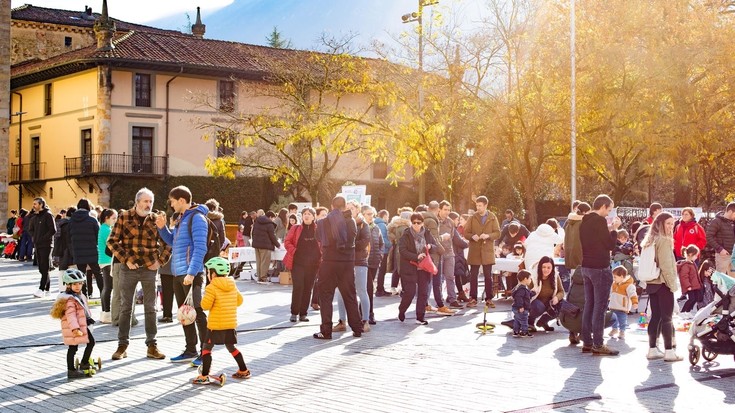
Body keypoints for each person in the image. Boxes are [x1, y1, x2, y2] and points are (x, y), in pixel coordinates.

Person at [107, 188, 171, 361]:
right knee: (126, 307)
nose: (148, 205)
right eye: (145, 201)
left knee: (151, 308)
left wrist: (160, 261)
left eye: (150, 201)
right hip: (129, 268)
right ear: (137, 202)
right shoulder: (124, 216)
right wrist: (126, 259)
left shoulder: (156, 219)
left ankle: (152, 345)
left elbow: (168, 243)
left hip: (150, 268)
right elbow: (111, 241)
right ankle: (122, 346)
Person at [156, 185, 210, 366]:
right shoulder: (182, 219)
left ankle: (205, 352)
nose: (170, 205)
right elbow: (173, 242)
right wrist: (163, 229)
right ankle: (190, 349)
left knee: (198, 314)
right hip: (178, 273)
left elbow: (200, 247)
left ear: (181, 200)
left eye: (172, 201)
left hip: (189, 274)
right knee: (184, 314)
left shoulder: (197, 218)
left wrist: (192, 272)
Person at [192, 257, 250, 385]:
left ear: (212, 274)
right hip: (230, 325)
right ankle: (243, 370)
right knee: (231, 347)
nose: (207, 275)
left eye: (208, 272)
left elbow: (205, 305)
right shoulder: (232, 284)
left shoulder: (211, 287)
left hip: (215, 325)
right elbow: (239, 301)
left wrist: (204, 297)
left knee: (206, 349)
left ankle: (204, 375)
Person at [313, 195, 363, 339]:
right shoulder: (351, 221)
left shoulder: (324, 222)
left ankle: (326, 331)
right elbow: (353, 238)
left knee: (326, 297)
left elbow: (318, 237)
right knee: (350, 296)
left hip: (328, 262)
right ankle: (357, 329)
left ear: (331, 206)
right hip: (346, 263)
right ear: (345, 206)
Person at [579, 194, 621, 356]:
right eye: (608, 210)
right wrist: (615, 230)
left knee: (589, 304)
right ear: (602, 206)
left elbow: (598, 239)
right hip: (600, 268)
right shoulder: (600, 221)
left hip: (586, 266)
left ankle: (587, 342)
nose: (609, 214)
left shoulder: (585, 221)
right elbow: (609, 244)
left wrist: (609, 229)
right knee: (600, 306)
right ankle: (598, 343)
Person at [641, 212, 682, 361]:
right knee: (667, 318)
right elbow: (666, 265)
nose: (671, 226)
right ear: (660, 224)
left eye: (672, 223)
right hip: (663, 283)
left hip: (652, 283)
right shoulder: (663, 240)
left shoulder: (650, 240)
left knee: (655, 317)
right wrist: (673, 285)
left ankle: (652, 349)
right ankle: (669, 351)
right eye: (668, 223)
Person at [50, 269, 96, 379]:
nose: (78, 286)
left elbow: (84, 310)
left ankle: (84, 363)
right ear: (68, 284)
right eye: (74, 284)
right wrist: (75, 329)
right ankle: (71, 370)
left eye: (80, 283)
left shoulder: (79, 296)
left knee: (91, 342)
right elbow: (71, 316)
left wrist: (88, 319)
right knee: (73, 348)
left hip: (82, 326)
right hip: (74, 328)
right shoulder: (70, 300)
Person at [335, 200, 372, 332]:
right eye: (347, 208)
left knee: (361, 290)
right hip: (344, 262)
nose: (349, 210)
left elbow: (364, 241)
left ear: (357, 210)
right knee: (340, 291)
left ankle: (365, 320)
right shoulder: (342, 223)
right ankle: (342, 321)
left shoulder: (363, 225)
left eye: (352, 208)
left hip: (359, 261)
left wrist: (349, 246)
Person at [397, 213, 439, 325]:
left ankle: (420, 317)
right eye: (414, 222)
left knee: (423, 293)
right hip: (410, 267)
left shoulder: (427, 233)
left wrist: (430, 247)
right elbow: (402, 250)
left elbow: (436, 247)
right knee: (410, 292)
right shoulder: (406, 235)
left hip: (424, 268)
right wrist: (416, 256)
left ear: (422, 223)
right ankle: (402, 309)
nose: (416, 225)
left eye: (418, 223)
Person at [284, 207, 321, 323]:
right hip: (298, 263)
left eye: (309, 214)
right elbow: (287, 242)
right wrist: (294, 250)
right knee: (298, 287)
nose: (307, 215)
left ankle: (303, 313)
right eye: (305, 213)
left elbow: (324, 243)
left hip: (313, 264)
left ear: (314, 216)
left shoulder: (318, 229)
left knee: (308, 288)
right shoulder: (296, 228)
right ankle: (294, 312)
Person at [463, 196, 501, 308]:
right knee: (473, 275)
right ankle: (473, 298)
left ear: (485, 206)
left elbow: (498, 233)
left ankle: (489, 298)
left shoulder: (493, 217)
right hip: (474, 250)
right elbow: (466, 233)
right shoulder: (472, 217)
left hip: (487, 251)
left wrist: (488, 236)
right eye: (477, 205)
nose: (478, 207)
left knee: (488, 276)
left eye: (480, 205)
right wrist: (471, 236)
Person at [69, 199, 102, 298]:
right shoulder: (92, 220)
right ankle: (103, 293)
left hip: (78, 251)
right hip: (92, 251)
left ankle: (83, 295)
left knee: (81, 274)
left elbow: (69, 236)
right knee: (98, 273)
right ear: (88, 207)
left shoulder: (71, 221)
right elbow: (98, 237)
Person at [528, 256, 565, 332]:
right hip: (535, 303)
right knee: (538, 306)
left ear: (552, 268)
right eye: (543, 267)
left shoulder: (555, 276)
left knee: (563, 306)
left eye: (549, 267)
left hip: (549, 304)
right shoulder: (533, 276)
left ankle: (543, 321)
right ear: (539, 267)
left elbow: (561, 291)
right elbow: (526, 292)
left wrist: (557, 298)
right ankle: (530, 322)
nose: (546, 270)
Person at [30, 197, 56, 298]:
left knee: (44, 266)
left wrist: (43, 238)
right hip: (38, 244)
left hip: (47, 245)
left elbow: (53, 230)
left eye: (35, 204)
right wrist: (35, 237)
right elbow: (30, 229)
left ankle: (41, 288)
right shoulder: (35, 217)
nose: (33, 206)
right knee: (42, 268)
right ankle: (48, 289)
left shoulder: (48, 215)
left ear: (41, 205)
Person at [437, 201, 461, 310]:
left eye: (448, 210)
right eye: (445, 209)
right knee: (439, 278)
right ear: (439, 209)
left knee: (450, 276)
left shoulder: (450, 222)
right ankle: (439, 299)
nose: (447, 212)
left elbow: (452, 236)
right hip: (438, 252)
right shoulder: (435, 221)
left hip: (449, 252)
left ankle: (452, 298)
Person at [363, 206, 384, 325]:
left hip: (374, 262)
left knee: (368, 289)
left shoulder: (376, 228)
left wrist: (380, 255)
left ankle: (364, 311)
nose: (371, 216)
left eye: (372, 214)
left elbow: (381, 243)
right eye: (368, 214)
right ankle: (369, 314)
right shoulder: (360, 227)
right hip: (363, 262)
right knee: (368, 289)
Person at [158, 212, 179, 324]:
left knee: (167, 293)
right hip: (178, 268)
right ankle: (183, 313)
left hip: (166, 267)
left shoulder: (166, 232)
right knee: (180, 293)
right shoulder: (181, 232)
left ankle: (167, 315)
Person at [97, 209, 117, 323]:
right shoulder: (106, 229)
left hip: (105, 260)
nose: (115, 221)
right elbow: (112, 244)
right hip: (107, 260)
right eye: (113, 218)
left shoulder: (104, 228)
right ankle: (106, 312)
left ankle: (106, 312)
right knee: (108, 287)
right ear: (107, 218)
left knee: (107, 287)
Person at [608, 265, 638, 340]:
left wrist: (635, 302)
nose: (613, 279)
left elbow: (633, 294)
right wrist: (608, 297)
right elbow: (611, 292)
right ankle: (614, 329)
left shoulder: (629, 285)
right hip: (613, 305)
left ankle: (622, 331)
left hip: (622, 307)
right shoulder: (614, 284)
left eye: (615, 277)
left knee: (622, 319)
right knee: (613, 318)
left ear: (621, 277)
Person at [387, 209, 412, 296]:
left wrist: (395, 239)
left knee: (397, 268)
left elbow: (390, 234)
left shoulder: (396, 226)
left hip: (396, 248)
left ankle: (393, 287)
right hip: (403, 249)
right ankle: (404, 289)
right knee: (403, 269)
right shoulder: (406, 227)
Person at [705, 202, 735, 275]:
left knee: (733, 281)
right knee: (721, 280)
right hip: (722, 256)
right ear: (730, 212)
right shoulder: (716, 221)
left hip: (733, 256)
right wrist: (720, 249)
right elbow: (709, 236)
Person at [251, 211, 280, 284]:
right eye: (273, 218)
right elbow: (272, 236)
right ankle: (263, 278)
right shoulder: (269, 224)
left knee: (259, 262)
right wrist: (278, 244)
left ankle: (259, 277)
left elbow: (252, 232)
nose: (273, 220)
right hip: (265, 245)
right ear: (270, 217)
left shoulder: (257, 221)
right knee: (265, 262)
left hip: (256, 245)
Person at [677, 244, 701, 314]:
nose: (696, 257)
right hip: (690, 286)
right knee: (691, 299)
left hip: (694, 285)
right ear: (690, 254)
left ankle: (688, 311)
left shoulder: (692, 263)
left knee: (695, 299)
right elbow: (684, 277)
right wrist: (688, 286)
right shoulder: (686, 265)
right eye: (695, 255)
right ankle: (684, 311)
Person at [374, 209, 391, 297]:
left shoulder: (375, 223)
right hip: (383, 251)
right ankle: (380, 289)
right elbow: (384, 239)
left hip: (376, 250)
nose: (388, 218)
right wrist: (391, 244)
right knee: (382, 271)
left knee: (380, 270)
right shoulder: (382, 225)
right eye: (387, 216)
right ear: (384, 216)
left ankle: (380, 288)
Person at [511, 270, 533, 338]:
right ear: (525, 279)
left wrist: (532, 293)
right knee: (524, 320)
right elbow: (519, 298)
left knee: (517, 320)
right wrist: (520, 306)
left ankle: (516, 331)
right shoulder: (522, 289)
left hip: (516, 307)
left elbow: (526, 295)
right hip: (521, 308)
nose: (530, 280)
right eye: (530, 278)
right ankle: (524, 332)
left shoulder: (519, 287)